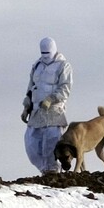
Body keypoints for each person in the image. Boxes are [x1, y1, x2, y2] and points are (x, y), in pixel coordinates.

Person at [22, 37, 73, 174]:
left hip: (54, 112)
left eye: (48, 53)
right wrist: (26, 106)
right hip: (37, 112)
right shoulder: (37, 65)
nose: (45, 56)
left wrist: (51, 99)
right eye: (43, 53)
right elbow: (31, 87)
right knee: (31, 144)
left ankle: (54, 173)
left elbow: (65, 88)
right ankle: (45, 170)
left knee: (51, 144)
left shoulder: (63, 65)